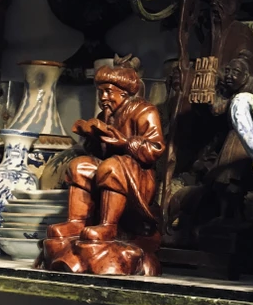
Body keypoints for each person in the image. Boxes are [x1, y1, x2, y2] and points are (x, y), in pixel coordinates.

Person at [43, 65, 165, 275]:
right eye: (100, 92)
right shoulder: (104, 115)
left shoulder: (144, 111)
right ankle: (76, 222)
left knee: (110, 167)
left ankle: (108, 226)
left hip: (138, 176)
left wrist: (125, 142)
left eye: (108, 92)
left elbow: (156, 148)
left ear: (123, 93)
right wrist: (91, 136)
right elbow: (98, 153)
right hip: (110, 169)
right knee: (79, 166)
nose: (104, 97)